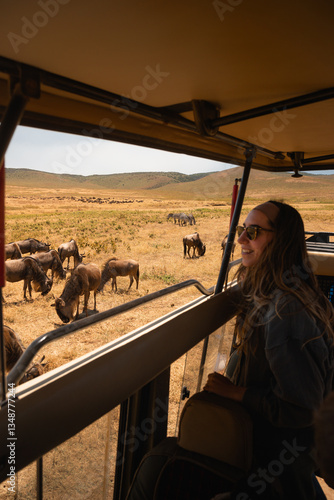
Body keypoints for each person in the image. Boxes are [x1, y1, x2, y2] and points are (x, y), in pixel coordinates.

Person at [204, 200, 334, 499]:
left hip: (278, 465)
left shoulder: (284, 310)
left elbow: (301, 408)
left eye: (254, 231)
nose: (241, 239)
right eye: (242, 229)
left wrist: (235, 393)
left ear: (281, 240)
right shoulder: (288, 291)